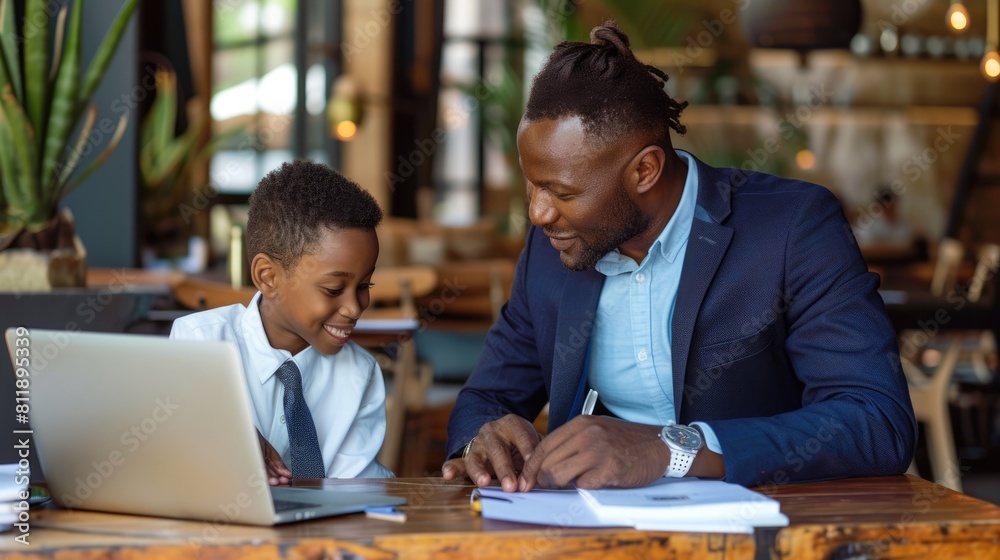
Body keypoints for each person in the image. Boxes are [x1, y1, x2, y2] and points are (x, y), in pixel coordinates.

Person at [443, 22, 916, 492]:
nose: (538, 212)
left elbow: (875, 420)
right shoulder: (552, 248)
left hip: (765, 522)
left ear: (645, 170)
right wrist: (482, 443)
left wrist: (672, 448)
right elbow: (487, 397)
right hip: (587, 527)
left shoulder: (792, 229)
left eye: (561, 191)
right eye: (533, 184)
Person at [171, 160, 393, 484]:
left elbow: (354, 493)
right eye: (333, 289)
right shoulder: (200, 344)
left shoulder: (360, 375)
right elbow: (174, 456)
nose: (354, 307)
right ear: (268, 277)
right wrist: (225, 441)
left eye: (364, 286)